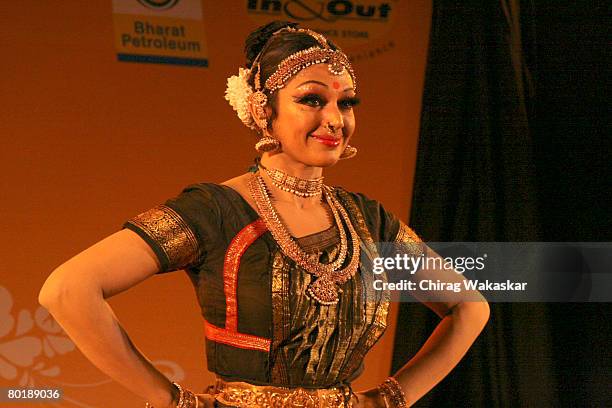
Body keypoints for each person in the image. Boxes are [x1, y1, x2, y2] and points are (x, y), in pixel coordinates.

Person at [38, 21, 489, 408]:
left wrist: (392, 397)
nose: (335, 118)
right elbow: (68, 290)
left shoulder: (369, 223)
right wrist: (172, 399)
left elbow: (468, 307)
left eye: (346, 102)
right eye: (312, 100)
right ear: (262, 109)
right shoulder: (214, 210)